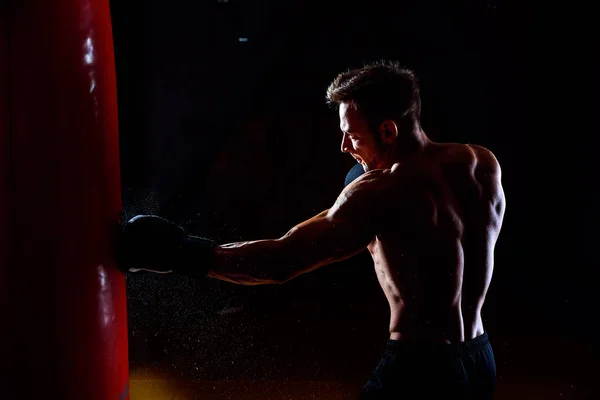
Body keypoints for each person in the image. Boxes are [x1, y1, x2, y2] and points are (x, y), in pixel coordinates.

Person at [117, 60, 506, 399]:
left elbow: (281, 261)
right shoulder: (480, 164)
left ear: (388, 132)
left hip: (419, 371)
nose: (343, 147)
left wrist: (184, 253)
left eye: (352, 134)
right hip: (478, 360)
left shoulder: (379, 192)